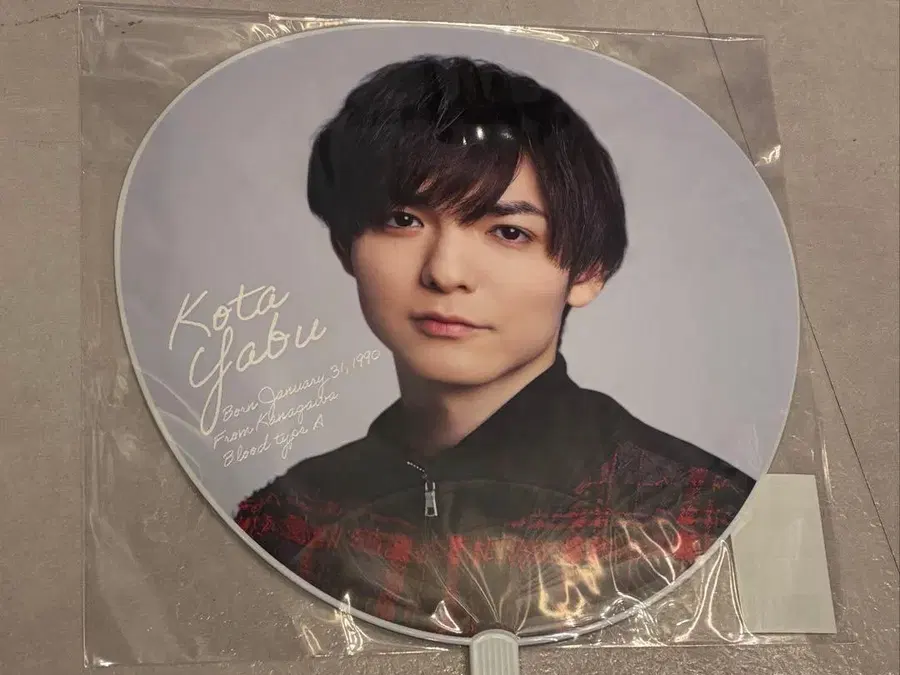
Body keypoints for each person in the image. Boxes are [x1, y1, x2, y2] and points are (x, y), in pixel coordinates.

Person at [235, 55, 755, 637]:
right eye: (403, 220)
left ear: (587, 273)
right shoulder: (289, 517)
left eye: (509, 232)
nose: (445, 272)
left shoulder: (696, 512)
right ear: (345, 247)